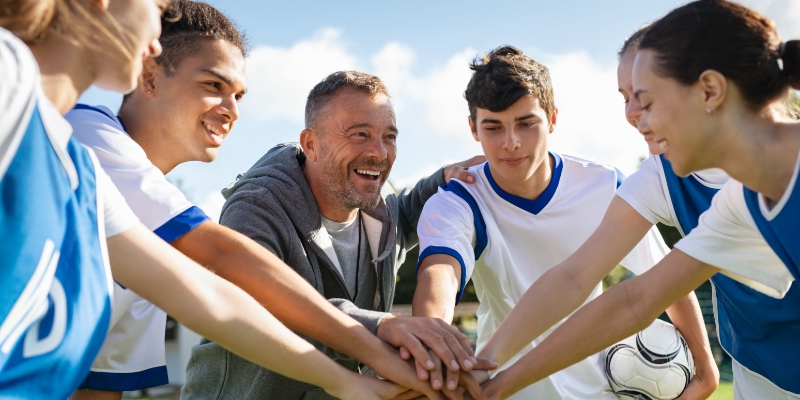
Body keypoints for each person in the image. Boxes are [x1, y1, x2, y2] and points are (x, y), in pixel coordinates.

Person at [0, 1, 414, 399]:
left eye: (239, 95)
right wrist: (371, 344)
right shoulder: (79, 132)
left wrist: (350, 381)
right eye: (214, 85)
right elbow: (218, 259)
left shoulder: (101, 191)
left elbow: (206, 299)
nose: (232, 110)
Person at [476, 1, 800, 399]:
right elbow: (634, 299)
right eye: (627, 99)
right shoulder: (737, 207)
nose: (636, 118)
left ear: (710, 91)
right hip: (769, 374)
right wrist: (491, 383)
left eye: (647, 101)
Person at [409, 45, 709, 400]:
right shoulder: (457, 200)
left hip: (601, 391)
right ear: (473, 129)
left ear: (552, 119)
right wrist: (433, 344)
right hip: (505, 390)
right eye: (493, 127)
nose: (511, 143)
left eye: (526, 123)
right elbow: (439, 276)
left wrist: (704, 371)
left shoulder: (604, 185)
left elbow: (664, 277)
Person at [181, 70, 491, 400]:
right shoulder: (256, 207)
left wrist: (445, 176)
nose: (380, 152)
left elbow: (410, 208)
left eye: (389, 136)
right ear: (311, 144)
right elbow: (259, 304)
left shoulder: (381, 211)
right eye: (359, 134)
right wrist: (381, 324)